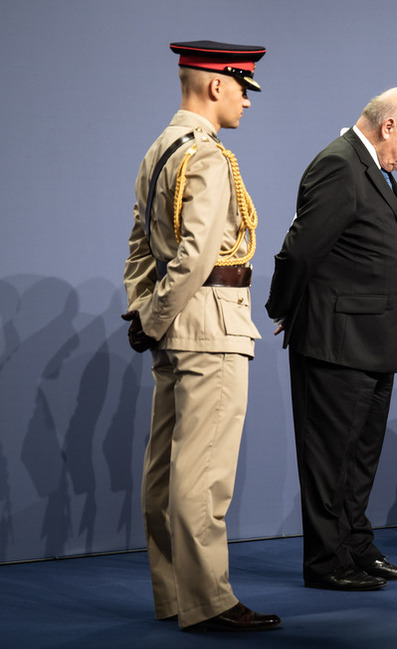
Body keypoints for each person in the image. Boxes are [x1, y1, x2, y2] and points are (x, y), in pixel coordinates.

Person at [122, 41, 280, 631]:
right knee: (204, 472)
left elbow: (141, 248)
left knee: (166, 469)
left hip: (176, 326)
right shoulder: (209, 157)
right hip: (211, 326)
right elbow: (193, 258)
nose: (246, 100)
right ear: (216, 85)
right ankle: (208, 601)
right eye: (243, 87)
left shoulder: (159, 149)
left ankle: (175, 596)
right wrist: (155, 315)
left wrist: (145, 314)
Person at [266, 87, 397, 591]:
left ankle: (356, 546)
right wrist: (283, 306)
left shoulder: (371, 166)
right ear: (388, 127)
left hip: (374, 340)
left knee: (359, 458)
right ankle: (325, 561)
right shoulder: (339, 164)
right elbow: (301, 249)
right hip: (336, 341)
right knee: (328, 459)